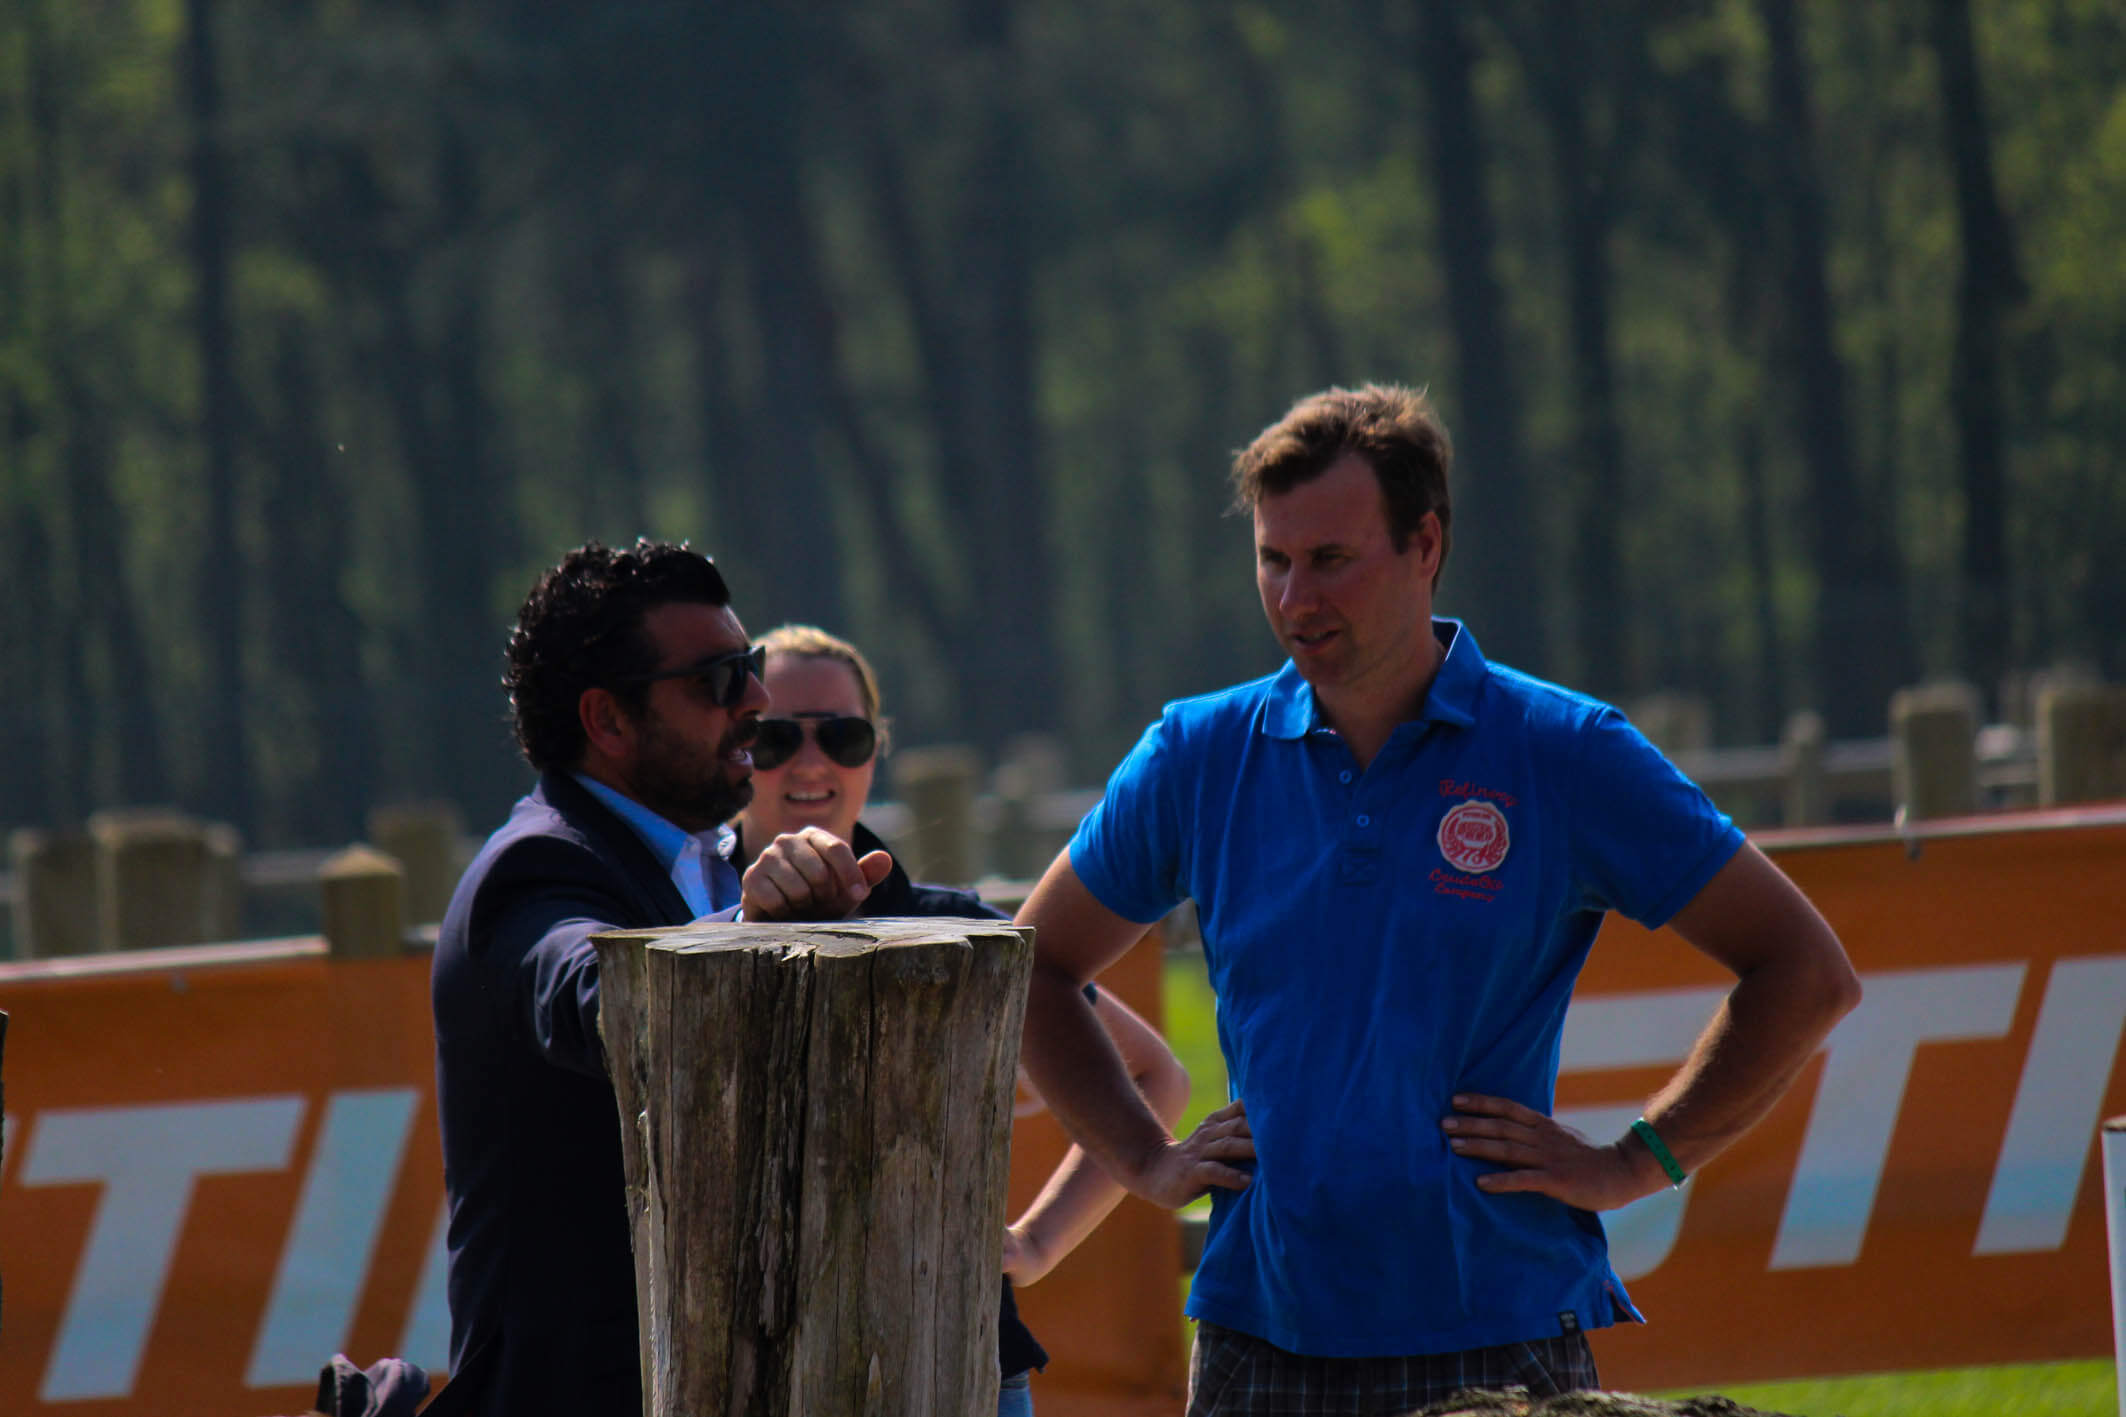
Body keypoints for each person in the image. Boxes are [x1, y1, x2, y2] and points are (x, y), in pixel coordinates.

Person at [1015, 385, 1864, 1415]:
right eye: (1273, 560)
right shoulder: (1197, 754)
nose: (1294, 598)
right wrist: (1143, 1159)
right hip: (1259, 1338)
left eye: (1331, 558)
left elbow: (1805, 972)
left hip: (1499, 1336)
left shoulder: (1563, 749)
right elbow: (1028, 969)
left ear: (1426, 545)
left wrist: (1636, 1161)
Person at [429, 540, 890, 1417]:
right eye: (718, 679)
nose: (756, 699)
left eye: (750, 664)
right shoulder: (531, 869)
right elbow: (596, 997)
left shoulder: (706, 860)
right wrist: (753, 934)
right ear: (607, 720)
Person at [732, 623, 1189, 1417]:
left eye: (842, 735)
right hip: (743, 1360)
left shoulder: (959, 933)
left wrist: (1038, 1241)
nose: (810, 761)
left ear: (877, 750)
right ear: (732, 747)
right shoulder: (674, 918)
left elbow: (1158, 1075)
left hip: (961, 1363)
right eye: (774, 737)